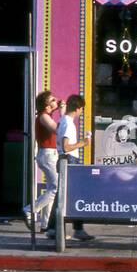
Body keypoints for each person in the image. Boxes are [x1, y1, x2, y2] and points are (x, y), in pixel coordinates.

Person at [47, 94, 94, 242]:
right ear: (78, 108)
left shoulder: (62, 121)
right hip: (69, 159)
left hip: (64, 159)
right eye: (82, 109)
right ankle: (77, 229)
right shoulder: (68, 124)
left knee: (63, 196)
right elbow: (66, 147)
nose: (82, 112)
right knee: (76, 194)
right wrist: (83, 143)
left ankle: (54, 228)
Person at [27, 91, 60, 232]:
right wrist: (63, 113)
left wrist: (58, 106)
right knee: (57, 187)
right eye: (53, 99)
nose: (56, 100)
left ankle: (45, 224)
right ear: (46, 106)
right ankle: (30, 209)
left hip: (50, 154)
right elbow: (57, 129)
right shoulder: (44, 117)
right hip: (47, 154)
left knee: (51, 189)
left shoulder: (46, 115)